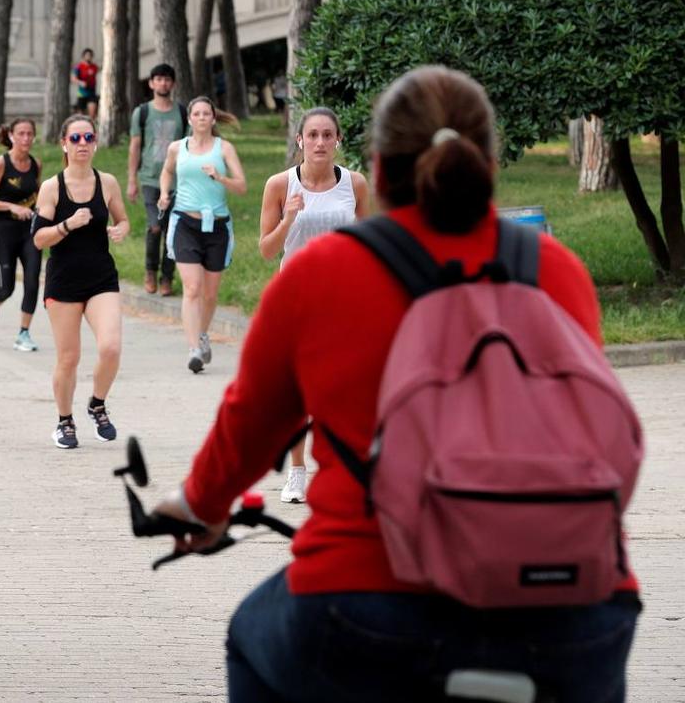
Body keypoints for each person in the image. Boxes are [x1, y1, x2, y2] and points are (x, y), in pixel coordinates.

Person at [151, 66, 641, 702]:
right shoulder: (553, 270)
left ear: (377, 172)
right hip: (573, 599)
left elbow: (247, 429)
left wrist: (200, 506)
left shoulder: (323, 273)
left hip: (370, 598)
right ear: (487, 166)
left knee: (251, 635)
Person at [258, 107, 371, 503]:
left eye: (327, 135)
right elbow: (267, 251)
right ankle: (297, 472)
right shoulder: (279, 185)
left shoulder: (355, 184)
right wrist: (288, 220)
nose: (320, 142)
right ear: (300, 140)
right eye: (313, 135)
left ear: (338, 140)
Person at [32, 114, 130, 449]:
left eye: (88, 138)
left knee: (111, 347)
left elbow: (124, 219)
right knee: (69, 357)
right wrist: (67, 225)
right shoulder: (52, 187)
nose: (82, 144)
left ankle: (97, 404)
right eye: (75, 139)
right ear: (64, 144)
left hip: (101, 276)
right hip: (64, 282)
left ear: (96, 143)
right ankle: (64, 421)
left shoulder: (108, 183)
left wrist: (120, 230)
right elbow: (38, 239)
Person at [158, 97, 247, 374]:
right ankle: (194, 348)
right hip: (185, 222)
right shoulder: (177, 148)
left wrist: (220, 178)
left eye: (206, 114)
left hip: (217, 226)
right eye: (196, 114)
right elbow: (167, 171)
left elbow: (242, 186)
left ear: (212, 118)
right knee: (193, 288)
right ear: (189, 119)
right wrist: (163, 193)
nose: (201, 118)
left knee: (210, 293)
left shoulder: (224, 149)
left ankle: (203, 333)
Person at [0, 118, 43, 352]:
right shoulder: (1, 163)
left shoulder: (36, 163)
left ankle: (23, 333)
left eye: (30, 134)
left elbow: (37, 194)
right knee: (7, 288)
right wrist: (11, 207)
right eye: (21, 134)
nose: (26, 138)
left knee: (33, 279)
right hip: (4, 231)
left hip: (30, 232)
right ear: (12, 136)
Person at [127, 63, 188, 296]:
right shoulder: (142, 112)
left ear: (172, 83)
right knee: (154, 227)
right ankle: (150, 271)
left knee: (172, 231)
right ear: (151, 83)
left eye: (167, 79)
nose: (163, 83)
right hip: (150, 179)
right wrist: (132, 179)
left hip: (177, 182)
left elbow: (188, 147)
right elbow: (135, 146)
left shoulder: (182, 112)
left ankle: (167, 278)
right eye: (158, 79)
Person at [71, 48, 99, 118]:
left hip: (92, 93)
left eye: (90, 55)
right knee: (81, 115)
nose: (89, 57)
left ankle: (92, 126)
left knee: (92, 114)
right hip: (82, 93)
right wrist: (81, 82)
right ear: (83, 56)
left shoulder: (94, 67)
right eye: (87, 55)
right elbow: (73, 79)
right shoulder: (79, 67)